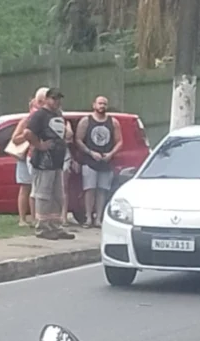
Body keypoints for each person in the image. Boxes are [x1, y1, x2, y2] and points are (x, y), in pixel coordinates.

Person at [23, 88, 75, 240]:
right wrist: (39, 145)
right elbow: (27, 133)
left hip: (57, 161)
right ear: (46, 99)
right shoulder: (39, 115)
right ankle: (42, 228)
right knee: (43, 195)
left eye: (59, 99)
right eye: (53, 98)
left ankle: (55, 226)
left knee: (57, 196)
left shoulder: (58, 114)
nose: (57, 102)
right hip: (43, 162)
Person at [74, 95, 121, 227]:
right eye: (100, 103)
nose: (102, 106)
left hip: (106, 163)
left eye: (105, 104)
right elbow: (78, 139)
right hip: (89, 162)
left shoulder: (113, 122)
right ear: (94, 105)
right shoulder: (86, 121)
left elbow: (119, 141)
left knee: (102, 190)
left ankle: (99, 218)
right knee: (89, 189)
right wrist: (90, 152)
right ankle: (88, 217)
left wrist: (111, 154)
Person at [11, 87, 48, 226]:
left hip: (35, 155)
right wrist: (29, 137)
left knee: (35, 187)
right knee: (26, 187)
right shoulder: (26, 120)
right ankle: (23, 219)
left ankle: (35, 218)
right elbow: (15, 139)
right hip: (24, 157)